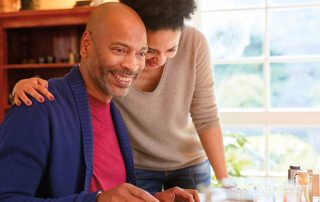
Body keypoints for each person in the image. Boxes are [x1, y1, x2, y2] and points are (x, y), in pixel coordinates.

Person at [12, 0, 235, 195]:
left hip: (188, 160)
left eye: (171, 50)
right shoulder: (116, 70)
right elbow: (85, 78)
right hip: (139, 163)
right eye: (149, 51)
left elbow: (206, 115)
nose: (160, 60)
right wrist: (23, 85)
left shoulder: (195, 43)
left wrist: (224, 181)